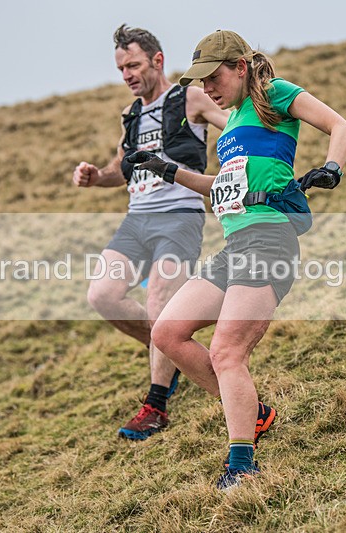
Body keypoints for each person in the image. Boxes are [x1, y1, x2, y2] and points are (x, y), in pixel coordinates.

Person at [127, 30, 346, 489]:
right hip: (234, 247)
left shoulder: (275, 94)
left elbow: (341, 126)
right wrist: (170, 171)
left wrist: (333, 167)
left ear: (240, 67)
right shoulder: (230, 124)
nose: (207, 88)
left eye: (214, 77)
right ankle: (253, 413)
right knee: (167, 333)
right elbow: (222, 188)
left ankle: (242, 465)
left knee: (227, 352)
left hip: (269, 241)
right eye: (201, 81)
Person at [72, 25, 228, 440]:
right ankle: (168, 349)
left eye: (134, 65)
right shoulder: (131, 115)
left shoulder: (188, 98)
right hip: (136, 220)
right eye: (121, 69)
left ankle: (156, 407)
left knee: (159, 301)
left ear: (158, 60)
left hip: (179, 217)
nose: (127, 75)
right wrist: (95, 177)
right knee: (102, 295)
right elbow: (119, 169)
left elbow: (235, 125)